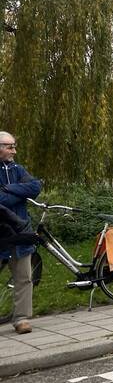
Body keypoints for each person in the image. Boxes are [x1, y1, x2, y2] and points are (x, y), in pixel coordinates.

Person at [0, 132, 42, 334]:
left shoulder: (18, 169)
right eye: (10, 147)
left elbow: (35, 187)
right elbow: (2, 202)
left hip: (20, 231)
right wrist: (19, 193)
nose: (14, 151)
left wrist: (8, 189)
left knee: (24, 277)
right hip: (1, 233)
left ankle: (22, 318)